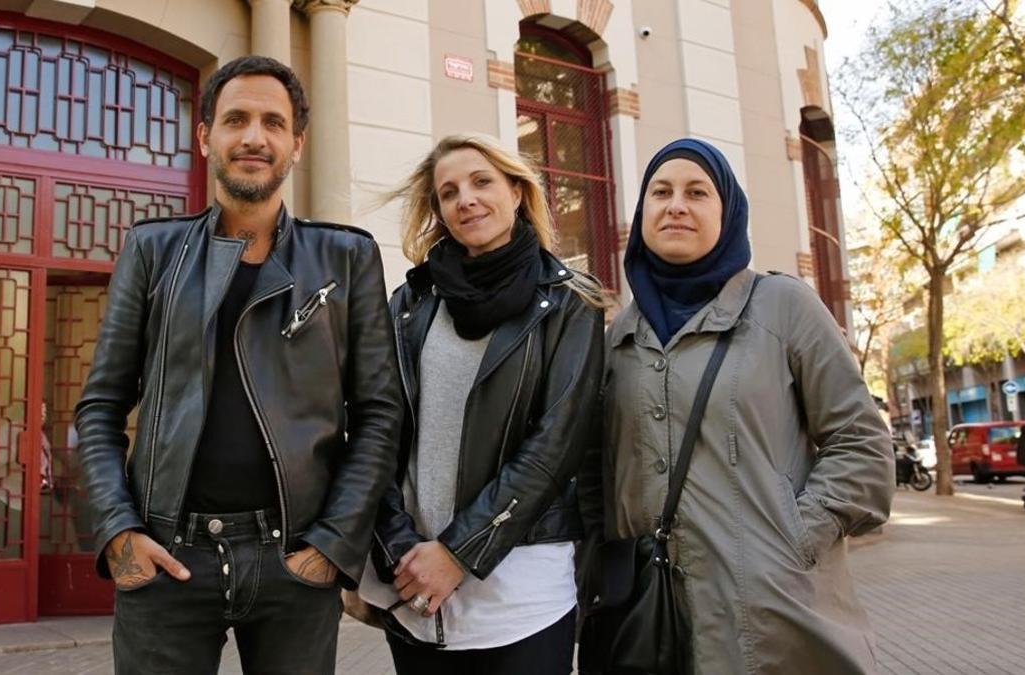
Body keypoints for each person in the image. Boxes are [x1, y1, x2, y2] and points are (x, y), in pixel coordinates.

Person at [75, 55, 402, 674]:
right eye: (237, 120)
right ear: (206, 137)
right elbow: (100, 407)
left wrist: (332, 544)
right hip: (167, 557)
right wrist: (117, 529)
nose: (255, 136)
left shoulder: (347, 256)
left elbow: (381, 414)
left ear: (297, 144)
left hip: (295, 560)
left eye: (273, 123)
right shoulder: (152, 251)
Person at [593, 138, 894, 673]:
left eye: (697, 192)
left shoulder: (783, 306)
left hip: (772, 615)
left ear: (727, 212)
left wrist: (792, 539)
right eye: (659, 192)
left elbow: (862, 443)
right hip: (649, 621)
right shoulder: (620, 336)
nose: (676, 205)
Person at [357, 134, 605, 674]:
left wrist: (458, 553)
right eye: (449, 192)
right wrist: (400, 550)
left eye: (481, 182)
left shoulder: (570, 303)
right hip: (415, 588)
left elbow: (555, 444)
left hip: (521, 595)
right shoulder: (411, 303)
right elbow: (376, 430)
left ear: (517, 192)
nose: (465, 199)